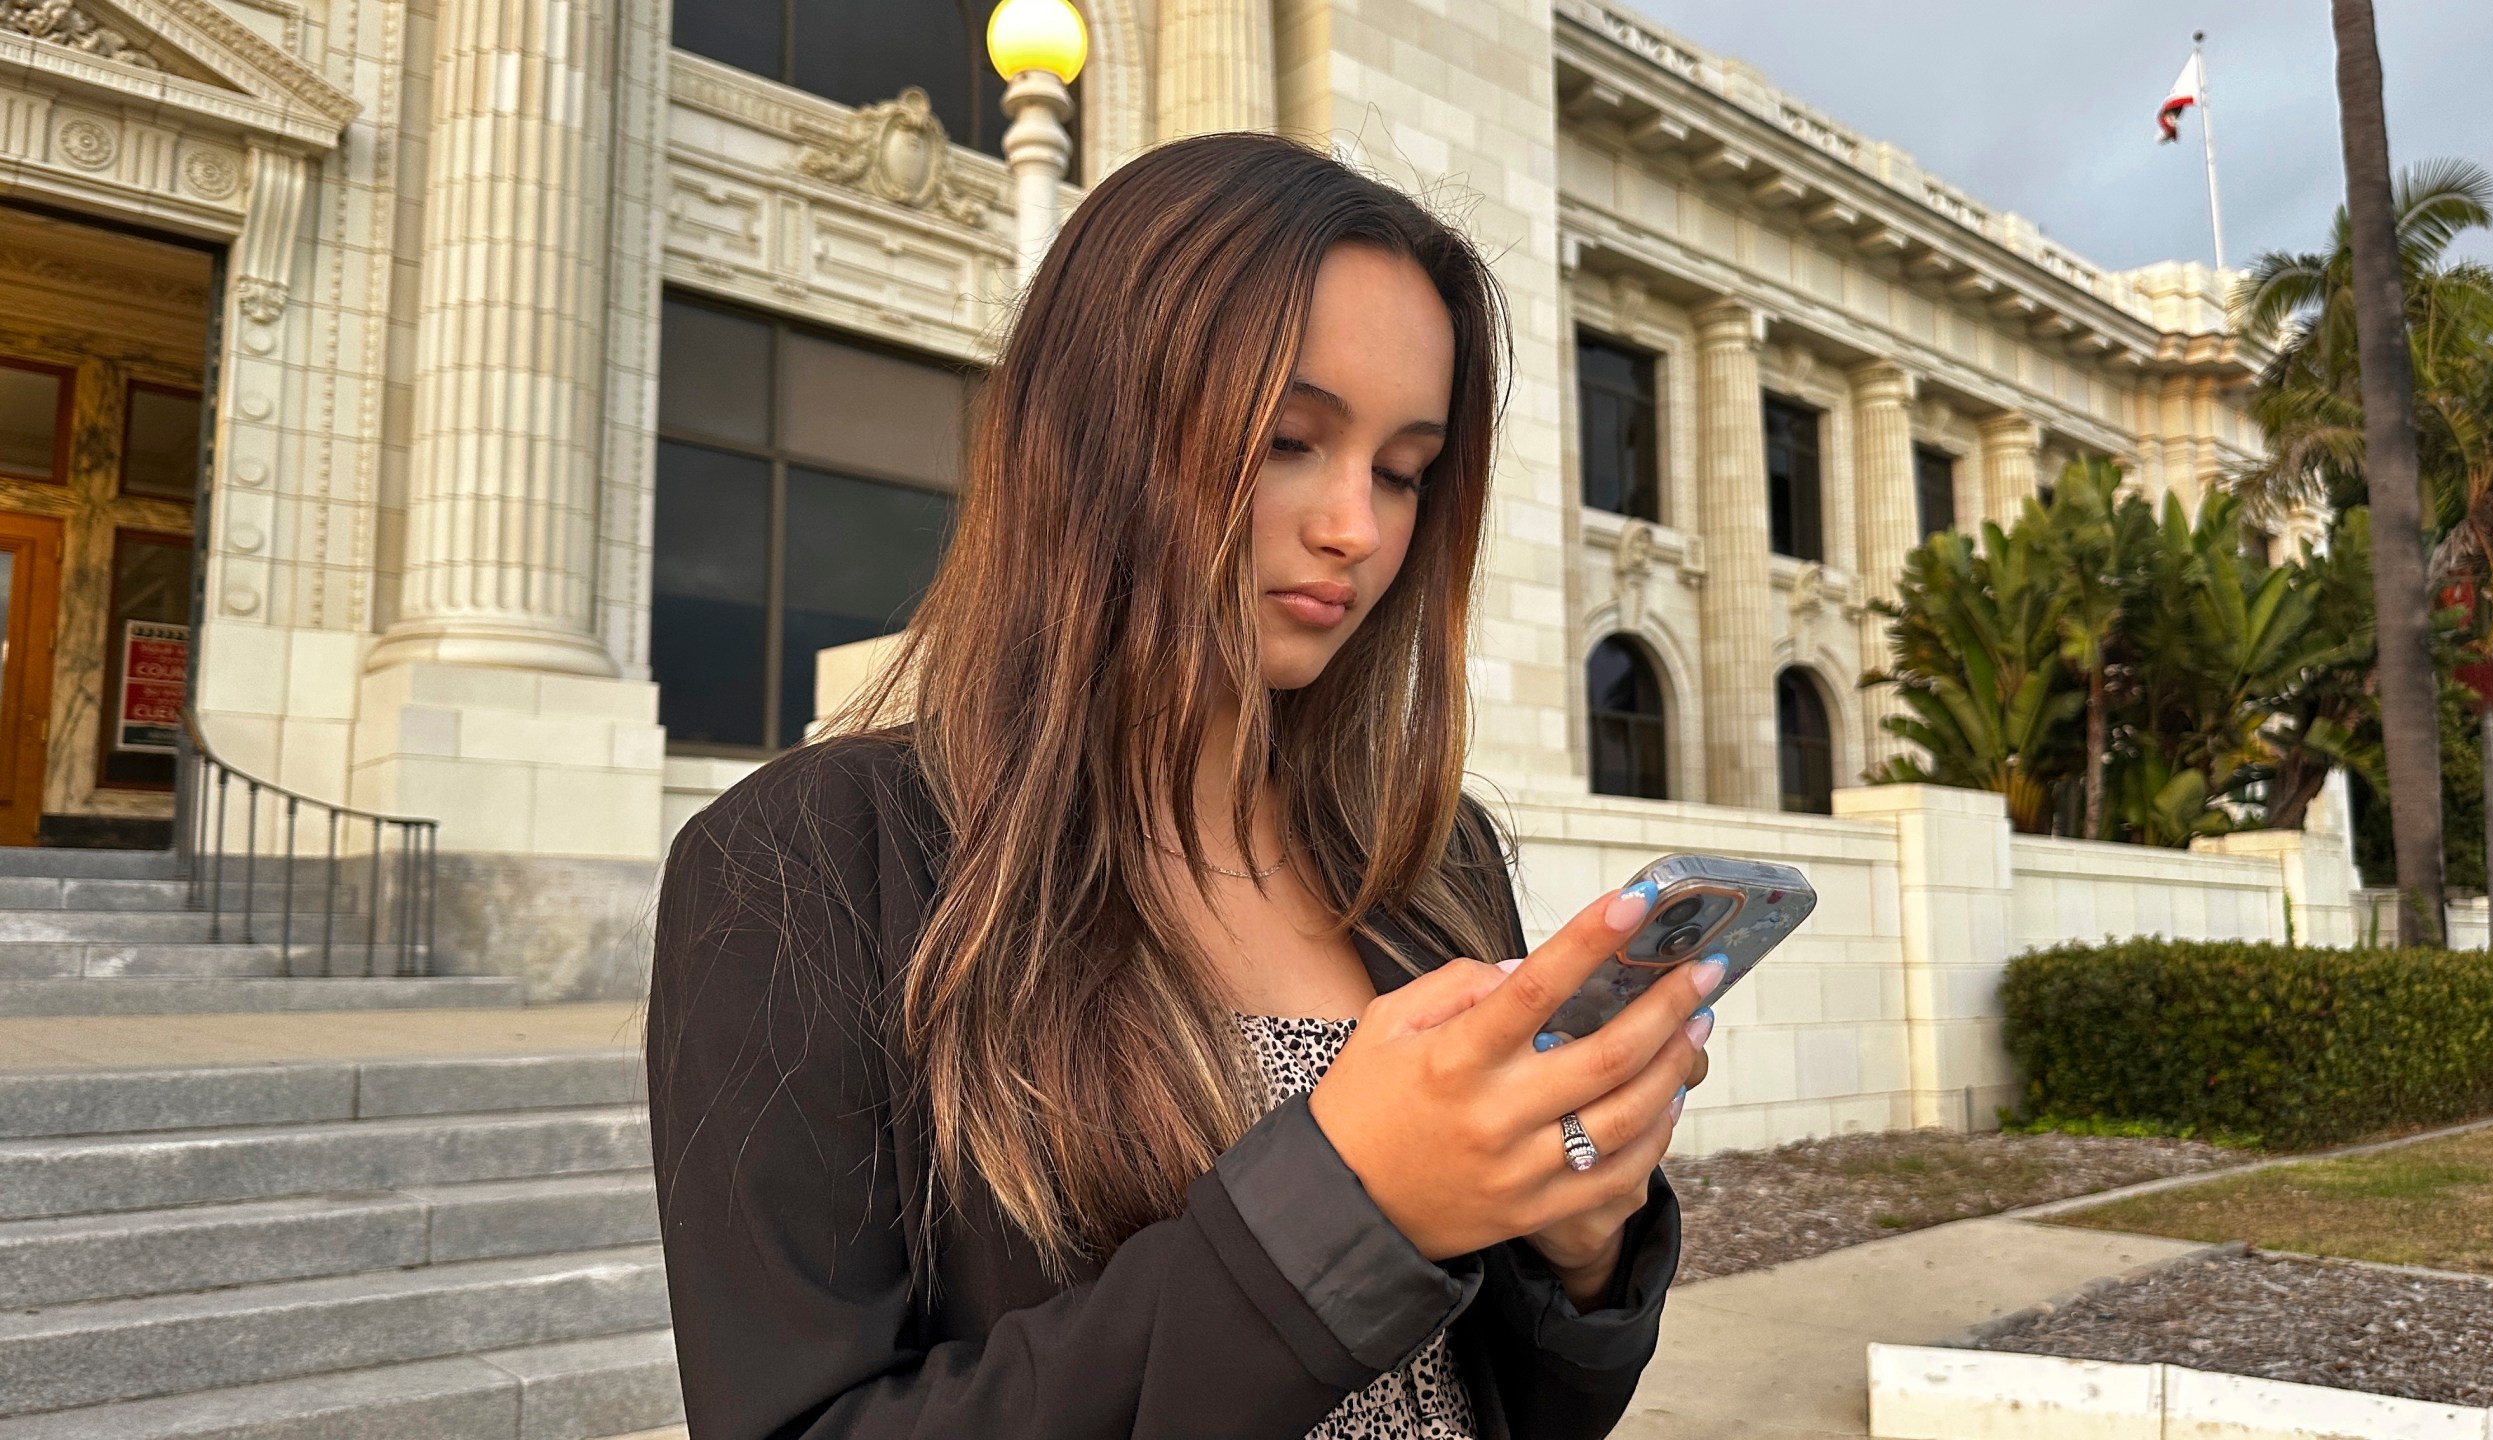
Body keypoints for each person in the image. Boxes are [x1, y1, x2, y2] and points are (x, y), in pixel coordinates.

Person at [647, 131, 1720, 1440]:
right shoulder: (806, 868)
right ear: (1093, 430)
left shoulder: (1432, 863)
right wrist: (1344, 1211)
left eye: (1404, 471)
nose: (1358, 529)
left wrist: (1586, 1247)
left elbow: (1512, 1407)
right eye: (1289, 441)